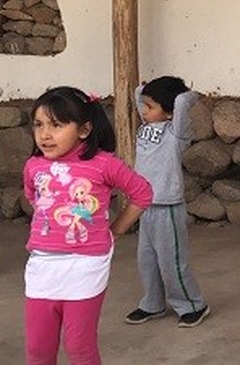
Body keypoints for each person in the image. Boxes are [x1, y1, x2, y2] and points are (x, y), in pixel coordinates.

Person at [23, 86, 153, 364]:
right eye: (38, 124)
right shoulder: (33, 165)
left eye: (56, 125)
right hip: (42, 265)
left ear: (84, 130)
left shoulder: (104, 164)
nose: (45, 134)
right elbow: (36, 199)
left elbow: (142, 193)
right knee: (37, 349)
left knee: (79, 347)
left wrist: (116, 229)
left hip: (85, 265)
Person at [124, 76, 210, 328]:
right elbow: (139, 94)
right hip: (145, 205)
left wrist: (189, 94)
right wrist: (146, 90)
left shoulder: (177, 133)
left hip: (168, 208)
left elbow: (182, 102)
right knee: (146, 260)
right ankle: (152, 303)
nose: (144, 110)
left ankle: (193, 305)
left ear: (170, 111)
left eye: (150, 107)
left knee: (171, 261)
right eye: (144, 106)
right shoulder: (146, 125)